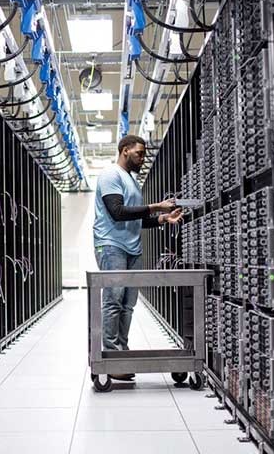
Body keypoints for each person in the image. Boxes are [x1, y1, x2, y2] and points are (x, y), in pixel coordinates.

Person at [93, 134, 183, 381]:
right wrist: (156, 207)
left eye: (143, 154)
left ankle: (121, 351)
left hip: (132, 248)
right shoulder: (111, 175)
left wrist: (164, 219)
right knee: (113, 300)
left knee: (128, 304)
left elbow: (138, 218)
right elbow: (118, 212)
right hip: (111, 246)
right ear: (124, 151)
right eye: (139, 153)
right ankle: (110, 356)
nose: (142, 158)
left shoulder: (132, 181)